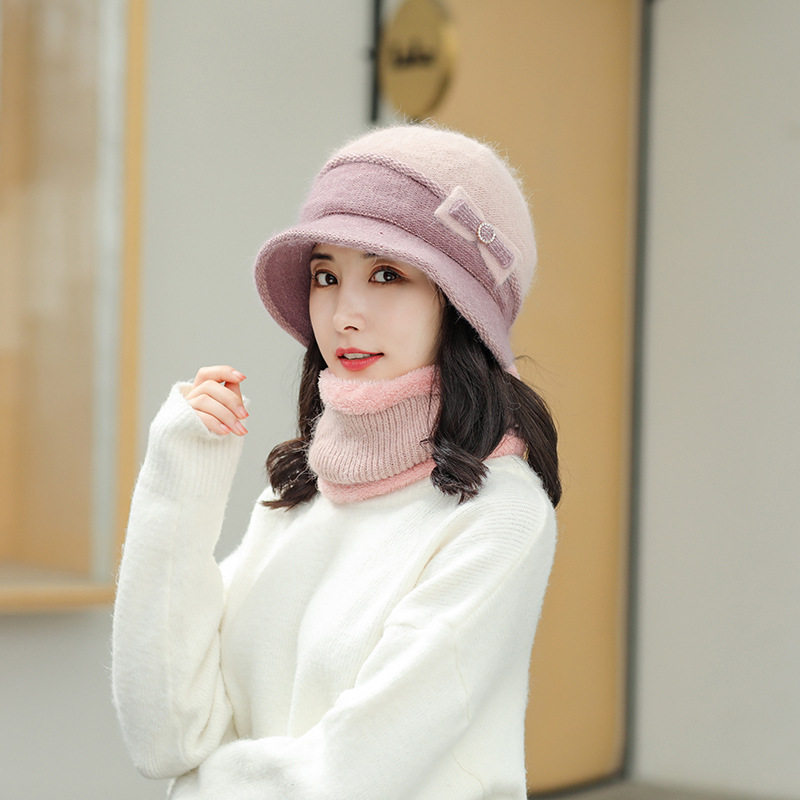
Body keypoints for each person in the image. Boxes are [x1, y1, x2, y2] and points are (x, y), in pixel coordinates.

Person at [112, 123, 561, 799]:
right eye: (326, 275)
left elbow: (353, 775)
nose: (344, 314)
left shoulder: (499, 515)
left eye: (387, 274)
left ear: (462, 306)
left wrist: (198, 785)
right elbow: (167, 736)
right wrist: (181, 480)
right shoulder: (300, 492)